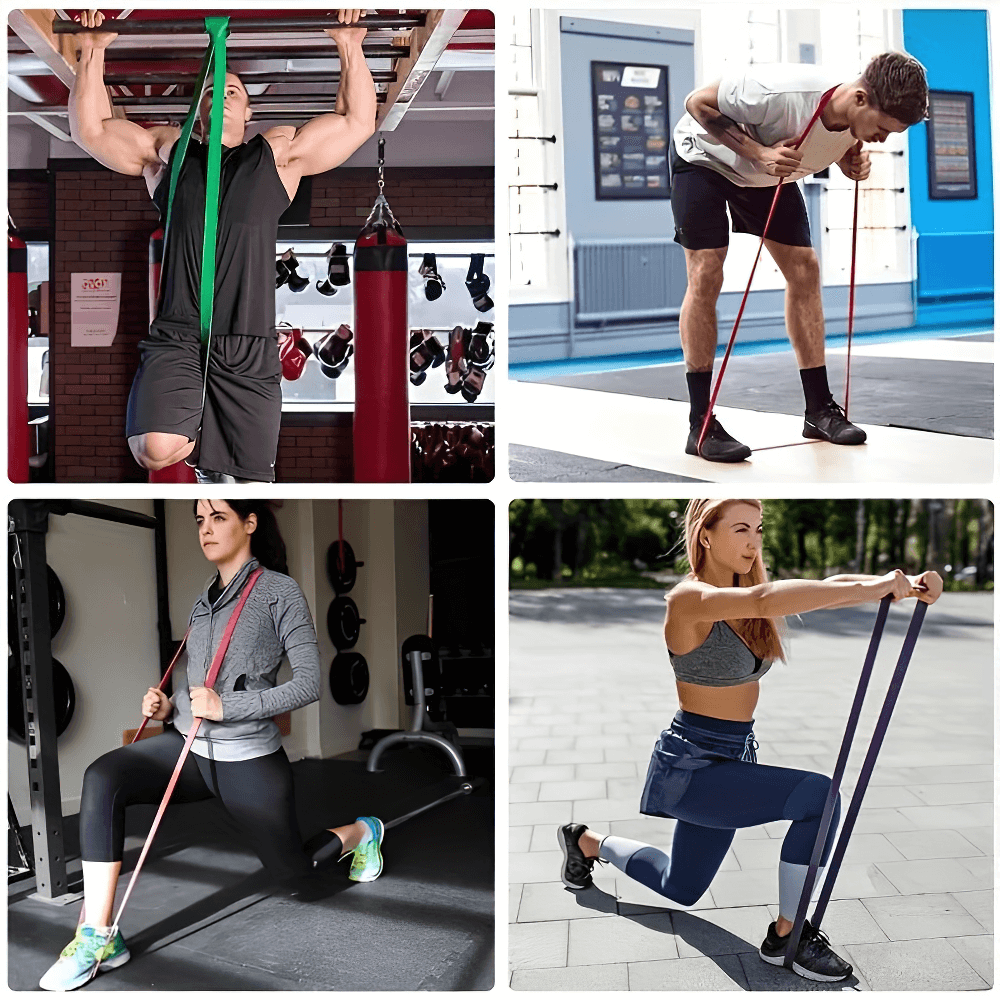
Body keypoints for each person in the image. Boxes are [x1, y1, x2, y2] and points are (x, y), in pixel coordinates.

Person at [558, 498, 942, 982]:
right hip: (695, 768)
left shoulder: (751, 594)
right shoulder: (688, 600)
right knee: (817, 798)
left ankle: (586, 841)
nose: (754, 540)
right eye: (741, 528)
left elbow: (825, 589)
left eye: (759, 529)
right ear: (705, 535)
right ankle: (787, 936)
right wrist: (879, 587)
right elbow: (766, 600)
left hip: (731, 758)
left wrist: (899, 586)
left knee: (682, 888)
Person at [39, 500, 384, 992]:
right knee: (103, 777)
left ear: (250, 523)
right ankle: (99, 935)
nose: (205, 529)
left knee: (297, 876)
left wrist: (229, 708)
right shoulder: (204, 601)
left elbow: (308, 684)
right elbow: (204, 682)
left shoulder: (279, 592)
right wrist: (169, 707)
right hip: (192, 749)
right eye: (200, 521)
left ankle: (362, 831)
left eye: (218, 518)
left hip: (248, 760)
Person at [67, 9, 376, 483]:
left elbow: (357, 122)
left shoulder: (277, 155)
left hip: (249, 344)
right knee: (154, 449)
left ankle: (210, 465)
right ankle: (192, 435)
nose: (223, 95)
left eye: (234, 91)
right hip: (177, 334)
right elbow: (91, 131)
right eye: (212, 91)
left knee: (247, 482)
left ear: (250, 111)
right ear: (197, 107)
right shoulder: (169, 153)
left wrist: (349, 45)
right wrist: (94, 51)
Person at [672, 53, 929, 461]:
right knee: (707, 271)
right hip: (705, 160)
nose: (882, 139)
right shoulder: (778, 91)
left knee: (805, 270)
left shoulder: (854, 116)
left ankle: (818, 411)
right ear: (861, 99)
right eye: (881, 129)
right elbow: (697, 102)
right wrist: (757, 153)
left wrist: (850, 157)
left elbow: (833, 140)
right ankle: (700, 424)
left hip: (768, 174)